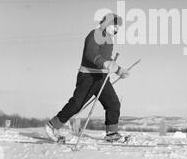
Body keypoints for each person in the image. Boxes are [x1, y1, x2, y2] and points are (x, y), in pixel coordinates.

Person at [45, 12, 129, 142]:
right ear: (106, 23)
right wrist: (105, 63)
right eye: (114, 25)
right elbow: (91, 54)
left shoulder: (108, 39)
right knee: (77, 104)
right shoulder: (95, 34)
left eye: (118, 27)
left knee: (113, 103)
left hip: (101, 77)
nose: (116, 29)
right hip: (88, 76)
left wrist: (118, 70)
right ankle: (52, 126)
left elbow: (106, 59)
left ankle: (112, 134)